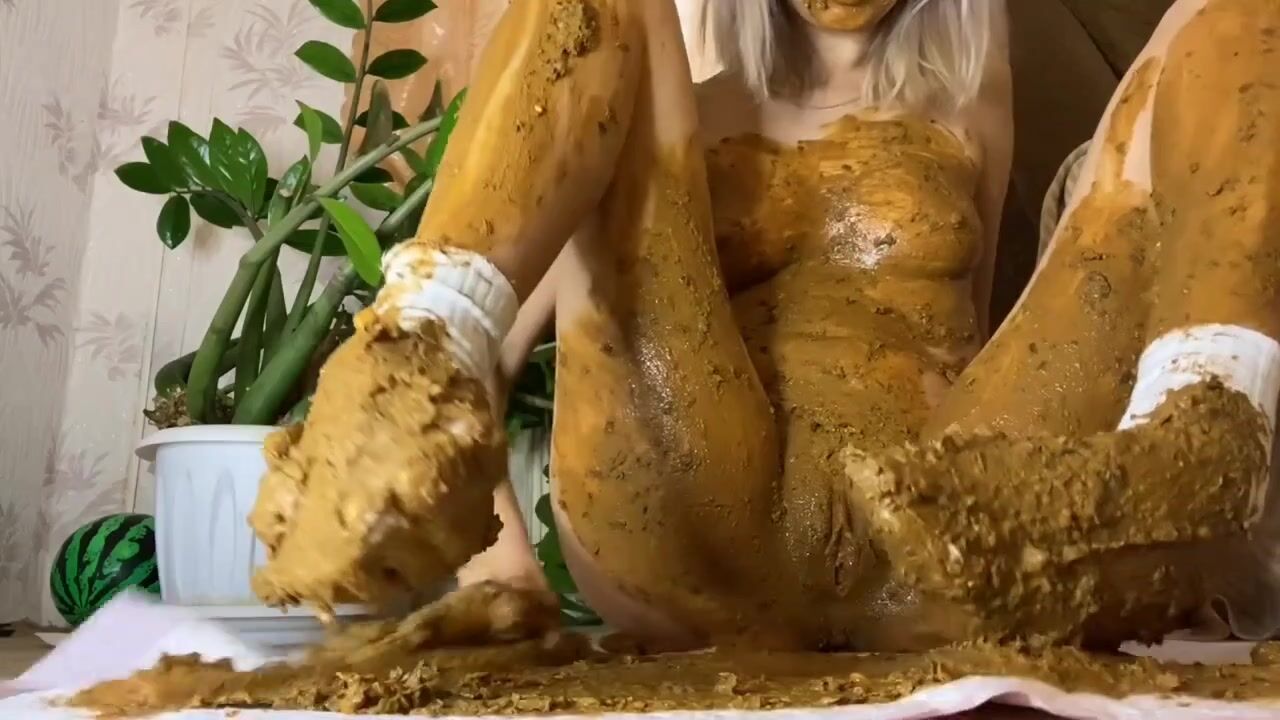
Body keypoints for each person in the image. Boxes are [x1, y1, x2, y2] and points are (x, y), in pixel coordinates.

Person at [248, 0, 1280, 653]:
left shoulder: (972, 99)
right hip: (698, 526)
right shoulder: (661, 106)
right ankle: (414, 338)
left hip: (942, 537)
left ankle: (1212, 426)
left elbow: (980, 333)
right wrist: (500, 572)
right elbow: (520, 351)